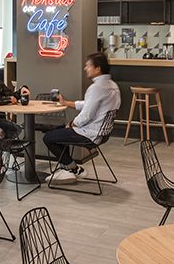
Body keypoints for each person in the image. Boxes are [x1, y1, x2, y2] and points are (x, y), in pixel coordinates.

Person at [43, 52, 120, 183]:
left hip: (90, 134)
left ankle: (73, 169)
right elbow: (89, 105)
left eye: (88, 65)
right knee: (59, 131)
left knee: (48, 137)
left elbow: (86, 115)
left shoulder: (97, 88)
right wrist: (66, 103)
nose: (85, 68)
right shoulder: (112, 85)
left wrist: (71, 125)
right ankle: (67, 169)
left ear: (97, 69)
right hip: (102, 133)